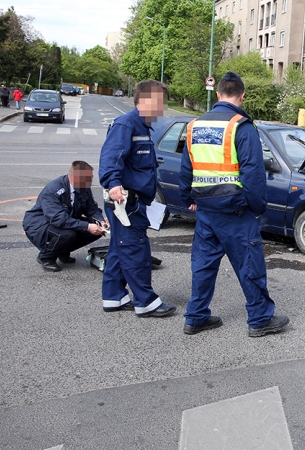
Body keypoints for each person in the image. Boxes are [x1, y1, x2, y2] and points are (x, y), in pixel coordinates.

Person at [179, 71, 289, 337]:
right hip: (236, 212)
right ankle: (260, 319)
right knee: (250, 265)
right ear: (242, 96)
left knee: (203, 265)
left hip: (206, 211)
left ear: (218, 95)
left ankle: (195, 317)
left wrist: (187, 198)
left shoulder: (194, 126)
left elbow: (187, 167)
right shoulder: (242, 126)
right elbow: (253, 174)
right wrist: (258, 207)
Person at [98, 79, 177, 317]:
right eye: (160, 102)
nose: (162, 108)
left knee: (119, 248)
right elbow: (111, 158)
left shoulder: (142, 126)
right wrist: (113, 184)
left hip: (133, 200)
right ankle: (146, 302)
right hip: (125, 201)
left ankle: (113, 297)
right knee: (135, 249)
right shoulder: (126, 125)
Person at [23, 161, 108, 272]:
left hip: (63, 219)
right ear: (73, 178)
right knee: (68, 234)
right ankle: (46, 257)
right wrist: (87, 226)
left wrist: (100, 222)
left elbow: (91, 209)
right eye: (86, 179)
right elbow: (58, 219)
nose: (90, 182)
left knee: (97, 231)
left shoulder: (84, 187)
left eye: (90, 178)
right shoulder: (53, 190)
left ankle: (61, 251)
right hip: (39, 223)